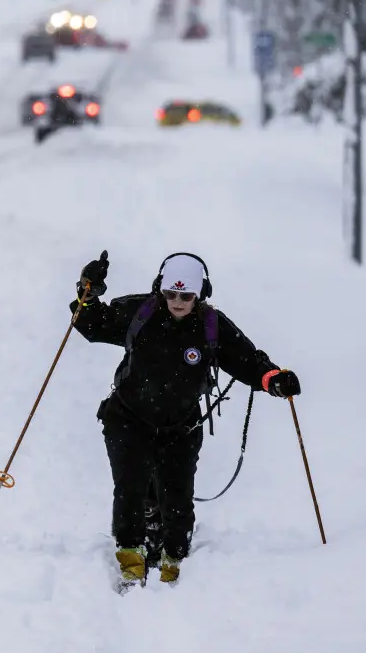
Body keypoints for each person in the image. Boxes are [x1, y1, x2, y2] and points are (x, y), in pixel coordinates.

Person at [71, 251, 301, 588]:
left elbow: (247, 360)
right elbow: (91, 324)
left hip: (181, 427)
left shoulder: (211, 325)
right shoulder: (141, 312)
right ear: (160, 290)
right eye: (171, 294)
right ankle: (131, 563)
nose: (178, 302)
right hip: (128, 419)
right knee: (130, 489)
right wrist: (87, 293)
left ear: (201, 293)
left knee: (177, 497)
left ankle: (173, 563)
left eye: (187, 296)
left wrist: (273, 379)